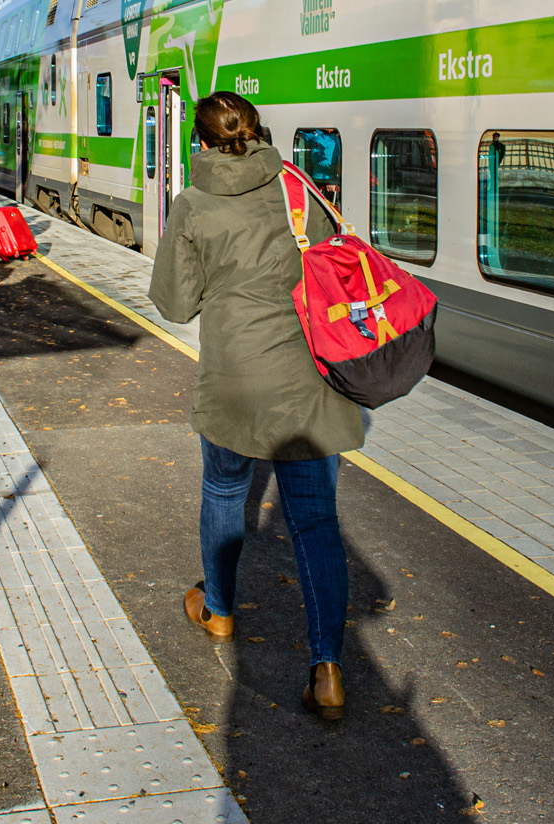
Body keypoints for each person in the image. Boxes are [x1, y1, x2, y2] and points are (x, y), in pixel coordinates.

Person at [148, 91, 358, 720]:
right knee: (316, 522)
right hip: (306, 381)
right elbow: (333, 268)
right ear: (258, 132)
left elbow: (175, 303)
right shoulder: (297, 188)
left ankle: (218, 610)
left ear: (202, 142)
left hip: (233, 378)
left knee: (223, 492)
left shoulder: (192, 203)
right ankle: (327, 672)